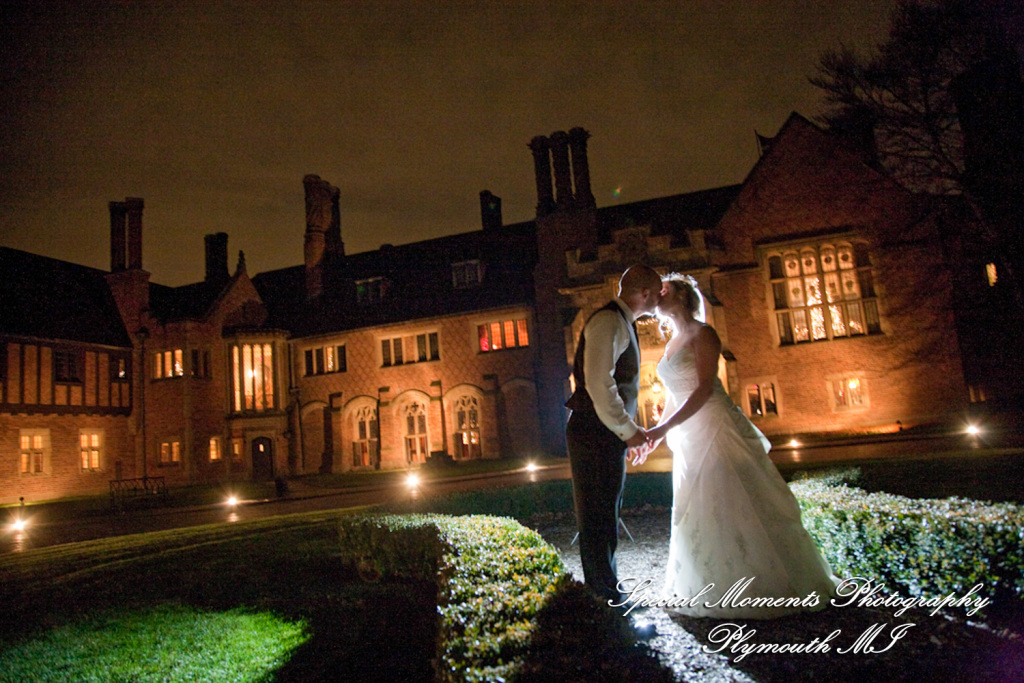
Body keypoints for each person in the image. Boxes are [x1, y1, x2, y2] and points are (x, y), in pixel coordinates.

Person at [641, 273, 838, 618]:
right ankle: (707, 578)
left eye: (664, 290)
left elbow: (703, 389)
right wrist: (655, 432)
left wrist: (665, 427)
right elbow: (674, 394)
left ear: (683, 296)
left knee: (732, 496)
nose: (657, 295)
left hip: (715, 424)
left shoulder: (704, 334)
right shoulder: (671, 342)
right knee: (694, 502)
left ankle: (765, 584)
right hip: (688, 435)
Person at [565, 264, 662, 604]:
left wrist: (627, 432)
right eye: (657, 293)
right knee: (597, 514)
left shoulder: (621, 322)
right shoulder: (608, 321)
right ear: (645, 293)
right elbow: (599, 384)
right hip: (594, 429)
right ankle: (603, 595)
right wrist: (628, 430)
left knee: (606, 511)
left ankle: (607, 588)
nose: (659, 300)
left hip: (602, 430)